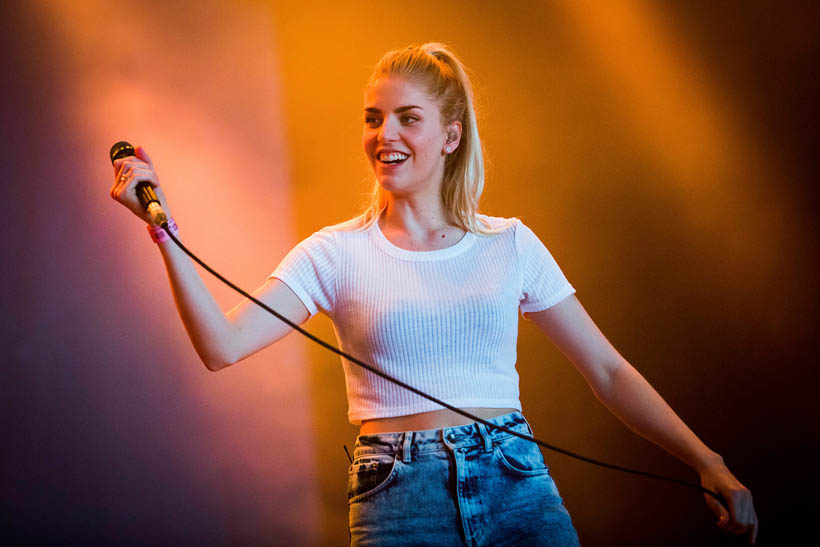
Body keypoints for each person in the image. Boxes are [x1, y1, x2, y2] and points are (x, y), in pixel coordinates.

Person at [111, 43, 757, 546]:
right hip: (397, 495)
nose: (383, 134)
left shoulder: (509, 243)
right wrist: (165, 235)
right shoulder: (335, 252)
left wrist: (708, 461)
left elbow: (609, 371)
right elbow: (222, 346)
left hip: (516, 482)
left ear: (450, 135)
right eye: (373, 118)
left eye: (406, 118)